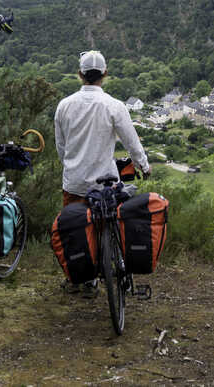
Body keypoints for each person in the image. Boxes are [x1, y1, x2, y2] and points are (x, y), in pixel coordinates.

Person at [54, 50, 150, 296]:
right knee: (109, 223)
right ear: (105, 74)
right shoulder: (114, 106)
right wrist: (143, 165)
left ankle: (83, 279)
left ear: (80, 74)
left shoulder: (64, 105)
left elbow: (61, 147)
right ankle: (115, 264)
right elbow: (132, 141)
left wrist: (71, 166)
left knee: (76, 229)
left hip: (74, 181)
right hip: (105, 183)